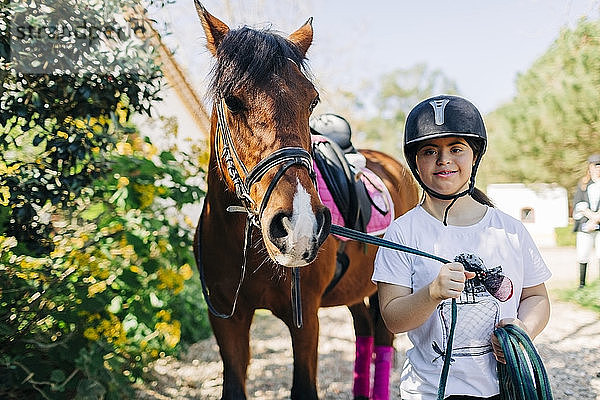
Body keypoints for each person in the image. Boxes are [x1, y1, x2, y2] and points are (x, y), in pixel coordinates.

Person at [372, 95, 552, 400]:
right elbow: (393, 318)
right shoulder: (401, 233)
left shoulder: (510, 230)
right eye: (430, 151)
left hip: (503, 389)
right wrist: (432, 294)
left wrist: (524, 330)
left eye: (456, 149)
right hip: (429, 392)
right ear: (416, 162)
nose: (444, 160)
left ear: (474, 156)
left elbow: (536, 297)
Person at [572, 153, 600, 288]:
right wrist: (592, 218)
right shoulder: (583, 184)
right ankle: (582, 285)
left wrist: (597, 219)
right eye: (595, 165)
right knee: (582, 254)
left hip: (598, 225)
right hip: (586, 225)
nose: (598, 168)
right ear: (590, 167)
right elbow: (579, 205)